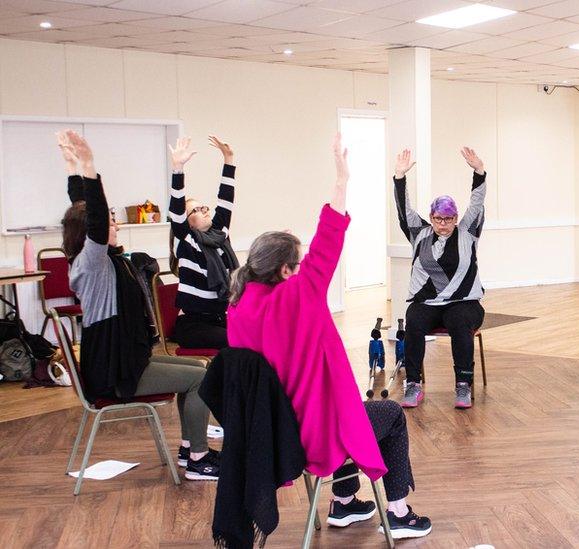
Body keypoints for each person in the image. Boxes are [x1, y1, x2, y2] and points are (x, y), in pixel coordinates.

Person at [226, 135, 431, 540]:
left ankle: (344, 502)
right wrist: (342, 179)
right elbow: (329, 237)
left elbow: (314, 250)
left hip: (271, 431)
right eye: (296, 263)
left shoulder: (238, 308)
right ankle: (399, 511)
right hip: (313, 432)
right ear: (286, 271)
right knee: (387, 416)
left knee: (340, 401)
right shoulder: (299, 295)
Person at [57, 130, 220, 481]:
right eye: (111, 221)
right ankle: (198, 457)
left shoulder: (91, 260)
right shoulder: (93, 262)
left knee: (200, 368)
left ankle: (191, 449)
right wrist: (88, 165)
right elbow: (95, 217)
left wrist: (72, 167)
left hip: (123, 359)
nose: (115, 224)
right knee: (201, 379)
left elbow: (83, 211)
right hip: (117, 371)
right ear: (91, 234)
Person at [393, 147, 487, 409]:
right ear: (431, 217)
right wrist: (400, 177)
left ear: (456, 218)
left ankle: (463, 385)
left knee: (459, 322)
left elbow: (477, 204)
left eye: (448, 218)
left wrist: (479, 172)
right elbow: (403, 210)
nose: (443, 223)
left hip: (464, 302)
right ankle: (413, 384)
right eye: (438, 218)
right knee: (413, 319)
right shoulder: (419, 233)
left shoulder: (468, 232)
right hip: (427, 303)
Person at [167, 135, 239, 350]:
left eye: (203, 207)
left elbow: (225, 201)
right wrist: (178, 168)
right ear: (187, 222)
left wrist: (229, 160)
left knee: (257, 335)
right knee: (239, 341)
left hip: (219, 318)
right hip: (193, 325)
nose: (203, 211)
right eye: (195, 211)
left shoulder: (220, 235)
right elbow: (176, 209)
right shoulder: (187, 241)